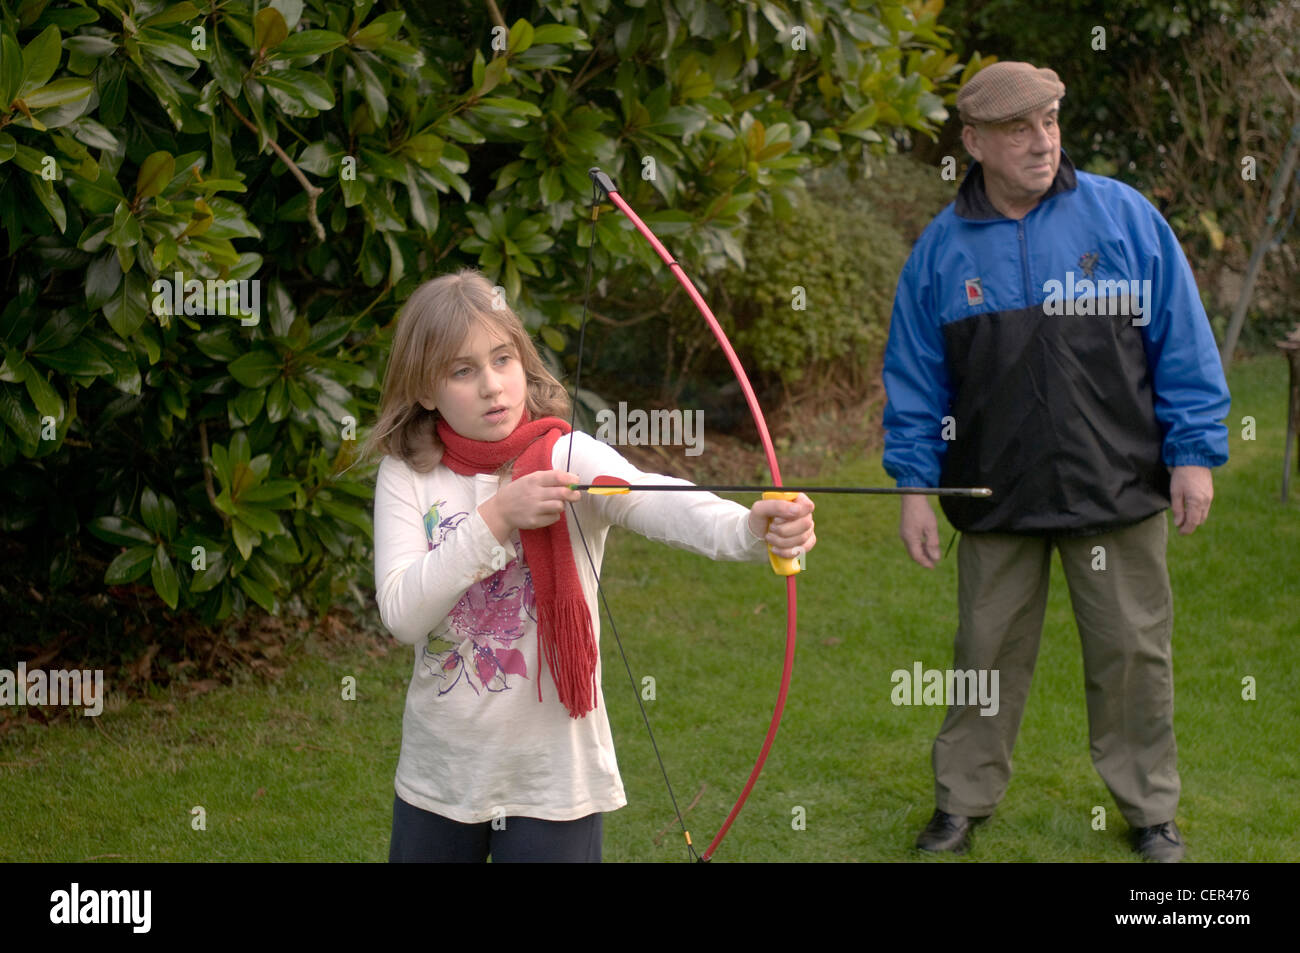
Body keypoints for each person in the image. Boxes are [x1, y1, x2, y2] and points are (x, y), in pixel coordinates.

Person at [881, 62, 1230, 862]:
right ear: (973, 141)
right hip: (993, 492)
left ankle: (1150, 810)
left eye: (1050, 121)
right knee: (983, 654)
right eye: (1017, 129)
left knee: (1134, 653)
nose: (1042, 142)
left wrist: (1193, 454)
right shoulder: (940, 252)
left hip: (1119, 484)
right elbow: (914, 381)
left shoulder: (1124, 217)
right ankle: (961, 803)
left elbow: (1182, 341)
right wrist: (914, 485)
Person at [366, 269, 816, 862]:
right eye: (462, 370)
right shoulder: (408, 474)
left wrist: (749, 529)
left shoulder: (566, 454)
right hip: (443, 769)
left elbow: (655, 498)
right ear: (426, 390)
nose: (492, 386)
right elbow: (402, 615)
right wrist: (498, 515)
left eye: (502, 360)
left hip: (555, 774)